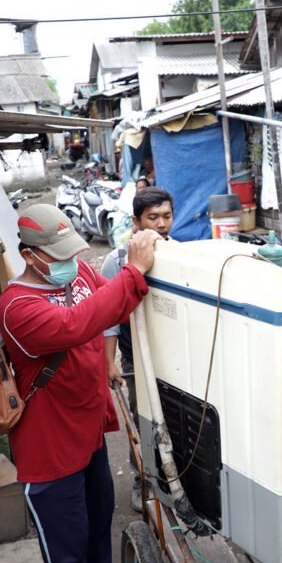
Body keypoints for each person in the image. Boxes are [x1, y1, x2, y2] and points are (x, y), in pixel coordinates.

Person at [0, 203, 160, 563]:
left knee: (97, 520)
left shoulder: (80, 272)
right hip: (50, 449)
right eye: (59, 254)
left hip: (87, 431)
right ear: (30, 256)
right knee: (64, 549)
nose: (72, 261)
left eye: (73, 251)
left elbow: (110, 305)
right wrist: (133, 273)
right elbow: (78, 323)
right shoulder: (16, 307)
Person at [100, 187, 174, 512]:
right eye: (153, 217)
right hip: (136, 358)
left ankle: (174, 480)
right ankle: (141, 480)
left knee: (173, 418)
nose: (161, 224)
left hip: (174, 359)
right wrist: (110, 362)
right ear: (136, 221)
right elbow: (108, 318)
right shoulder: (116, 262)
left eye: (167, 216)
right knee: (143, 419)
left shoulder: (179, 255)